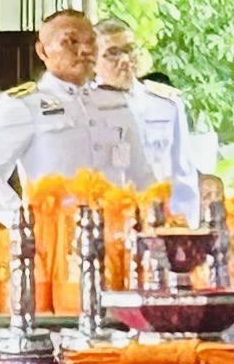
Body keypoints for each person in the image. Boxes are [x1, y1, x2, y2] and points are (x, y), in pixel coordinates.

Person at [0, 7, 151, 199]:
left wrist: (157, 215)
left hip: (116, 224)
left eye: (92, 41)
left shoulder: (114, 101)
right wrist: (21, 220)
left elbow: (141, 175)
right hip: (56, 225)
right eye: (71, 42)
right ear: (43, 51)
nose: (85, 50)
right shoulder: (25, 105)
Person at [93, 16, 219, 216]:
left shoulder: (165, 104)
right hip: (108, 217)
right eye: (112, 54)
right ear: (93, 61)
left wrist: (184, 228)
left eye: (129, 50)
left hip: (159, 216)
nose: (125, 60)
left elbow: (182, 176)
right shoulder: (84, 107)